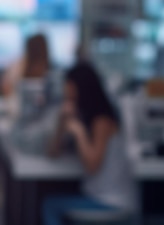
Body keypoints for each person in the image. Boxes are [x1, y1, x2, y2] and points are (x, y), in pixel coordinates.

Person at [43, 61, 137, 225]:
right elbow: (53, 153)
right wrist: (62, 121)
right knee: (52, 199)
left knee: (50, 206)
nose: (67, 94)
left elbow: (92, 166)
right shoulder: (84, 116)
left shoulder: (102, 121)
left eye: (70, 89)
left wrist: (79, 132)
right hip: (96, 195)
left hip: (112, 202)